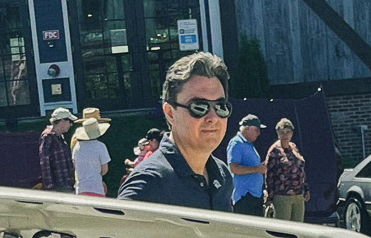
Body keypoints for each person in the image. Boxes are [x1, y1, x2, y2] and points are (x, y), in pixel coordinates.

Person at [114, 52, 234, 211]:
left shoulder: (222, 174)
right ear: (170, 113)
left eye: (221, 107)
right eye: (199, 107)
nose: (213, 117)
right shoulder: (148, 183)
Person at [264, 118, 308, 222]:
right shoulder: (274, 151)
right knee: (284, 226)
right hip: (282, 195)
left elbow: (301, 169)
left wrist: (306, 189)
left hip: (298, 195)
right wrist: (269, 196)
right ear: (278, 134)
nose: (285, 135)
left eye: (288, 132)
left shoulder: (293, 147)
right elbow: (269, 175)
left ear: (292, 133)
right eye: (282, 132)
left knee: (298, 226)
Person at [226, 113, 267, 214]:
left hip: (255, 196)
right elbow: (233, 168)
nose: (259, 133)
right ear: (247, 128)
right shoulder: (236, 143)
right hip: (245, 197)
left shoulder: (248, 144)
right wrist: (257, 169)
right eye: (256, 130)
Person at [71, 107, 111, 197]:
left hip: (80, 188)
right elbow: (104, 170)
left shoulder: (77, 146)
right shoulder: (100, 146)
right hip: (96, 187)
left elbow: (74, 165)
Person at [39, 106, 76, 192]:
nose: (71, 124)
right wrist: (49, 186)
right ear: (62, 121)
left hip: (67, 184)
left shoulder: (59, 136)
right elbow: (45, 162)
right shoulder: (47, 137)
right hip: (58, 187)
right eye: (70, 121)